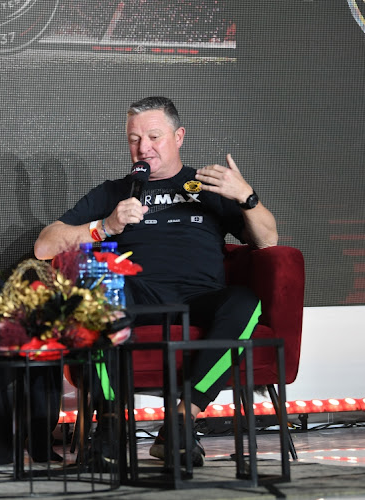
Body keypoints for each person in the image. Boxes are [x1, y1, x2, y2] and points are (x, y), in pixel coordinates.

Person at [34, 96, 278, 466]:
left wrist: (246, 198)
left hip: (200, 297)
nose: (143, 148)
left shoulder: (208, 186)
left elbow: (268, 241)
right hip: (134, 295)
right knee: (94, 292)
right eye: (134, 139)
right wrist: (105, 227)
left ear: (179, 136)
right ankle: (112, 425)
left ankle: (183, 419)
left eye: (154, 136)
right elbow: (44, 246)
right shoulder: (115, 192)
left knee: (245, 301)